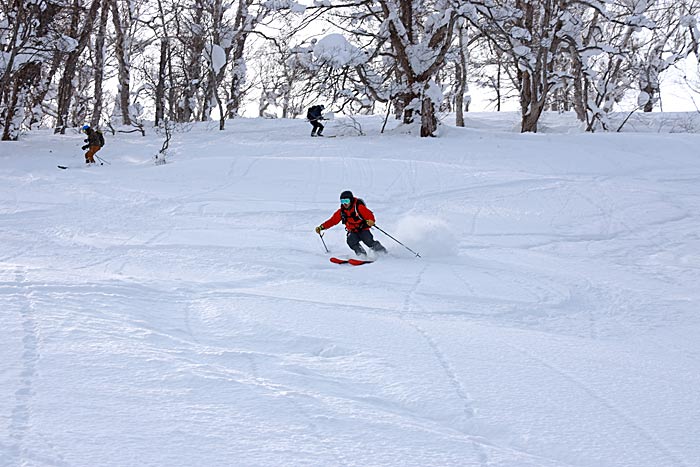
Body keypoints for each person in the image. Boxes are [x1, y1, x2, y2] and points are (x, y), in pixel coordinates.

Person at [315, 190, 387, 256]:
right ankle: (362, 255)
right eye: (342, 201)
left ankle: (382, 252)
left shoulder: (359, 208)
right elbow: (332, 221)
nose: (345, 203)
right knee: (351, 241)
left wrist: (371, 221)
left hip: (363, 230)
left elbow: (369, 215)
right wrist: (321, 227)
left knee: (368, 241)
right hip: (353, 231)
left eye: (346, 201)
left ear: (351, 200)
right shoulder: (341, 212)